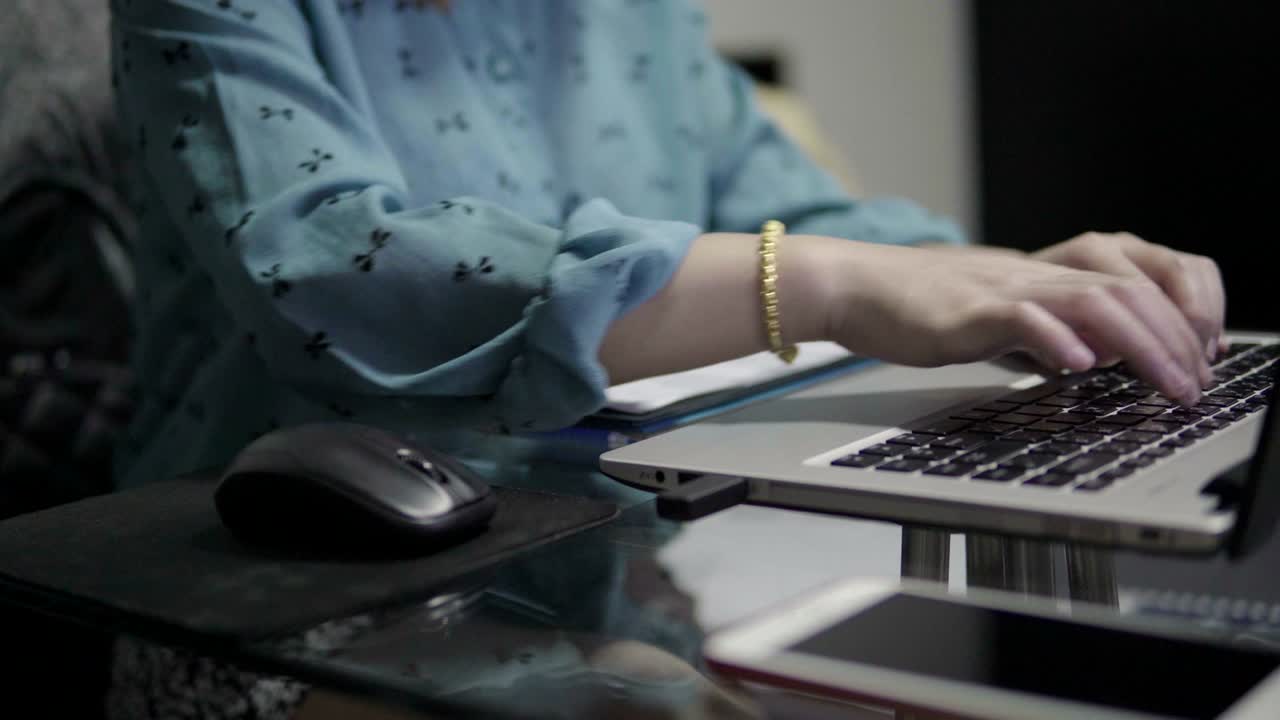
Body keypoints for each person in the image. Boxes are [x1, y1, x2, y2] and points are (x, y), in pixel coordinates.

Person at [107, 0, 1225, 717]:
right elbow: (335, 271)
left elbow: (787, 202)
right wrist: (823, 284)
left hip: (604, 569)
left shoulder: (628, 17)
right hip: (273, 601)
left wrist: (1026, 287)